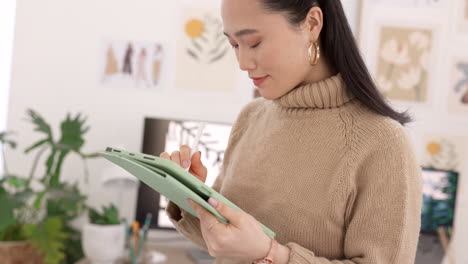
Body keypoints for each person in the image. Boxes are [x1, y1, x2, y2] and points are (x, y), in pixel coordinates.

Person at [161, 0, 422, 263]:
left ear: (312, 24)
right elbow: (226, 243)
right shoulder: (251, 117)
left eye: (253, 43)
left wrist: (272, 255)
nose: (242, 62)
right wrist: (187, 193)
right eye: (234, 45)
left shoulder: (382, 143)